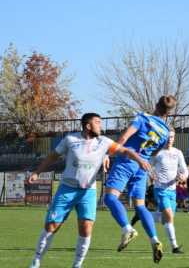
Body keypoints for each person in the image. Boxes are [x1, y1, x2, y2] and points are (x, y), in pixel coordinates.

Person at [28, 113, 149, 268]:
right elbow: (52, 157)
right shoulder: (70, 140)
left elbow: (124, 151)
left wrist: (139, 159)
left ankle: (77, 265)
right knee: (51, 227)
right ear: (88, 126)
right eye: (97, 122)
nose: (101, 125)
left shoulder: (104, 142)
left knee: (86, 229)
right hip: (67, 190)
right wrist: (37, 172)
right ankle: (36, 262)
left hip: (88, 193)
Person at [103, 95, 176, 264]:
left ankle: (127, 229)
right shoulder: (165, 132)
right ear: (168, 113)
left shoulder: (142, 118)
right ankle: (154, 240)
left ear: (156, 105)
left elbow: (123, 138)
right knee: (140, 206)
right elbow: (155, 153)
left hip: (126, 161)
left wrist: (108, 153)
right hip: (142, 167)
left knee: (110, 197)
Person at [150, 127, 189, 253]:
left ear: (174, 138)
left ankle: (143, 215)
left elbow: (185, 170)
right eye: (167, 137)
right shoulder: (157, 153)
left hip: (172, 190)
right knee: (169, 217)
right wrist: (151, 175)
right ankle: (174, 247)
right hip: (160, 189)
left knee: (165, 219)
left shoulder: (178, 152)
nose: (169, 139)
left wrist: (184, 176)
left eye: (171, 137)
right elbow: (147, 166)